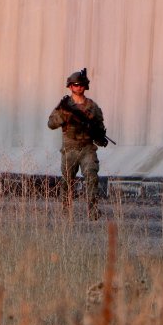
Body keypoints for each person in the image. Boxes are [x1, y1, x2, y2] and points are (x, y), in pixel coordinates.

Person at [48, 68, 108, 220]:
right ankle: (66, 212)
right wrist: (64, 117)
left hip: (87, 148)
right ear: (70, 86)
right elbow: (51, 123)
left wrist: (100, 137)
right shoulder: (64, 107)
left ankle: (93, 211)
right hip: (70, 148)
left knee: (91, 177)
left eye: (81, 85)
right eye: (75, 85)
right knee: (67, 181)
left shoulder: (93, 108)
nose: (78, 87)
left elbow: (99, 128)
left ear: (85, 86)